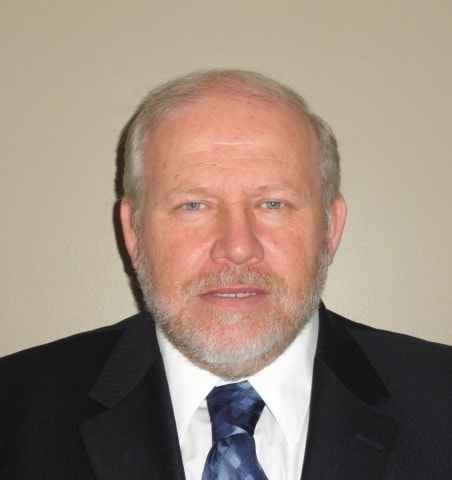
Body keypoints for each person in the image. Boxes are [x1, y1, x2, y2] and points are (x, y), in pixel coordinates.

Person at [0, 69, 451, 480]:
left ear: (331, 229)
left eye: (272, 204)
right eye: (193, 205)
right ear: (133, 233)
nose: (237, 247)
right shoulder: (14, 408)